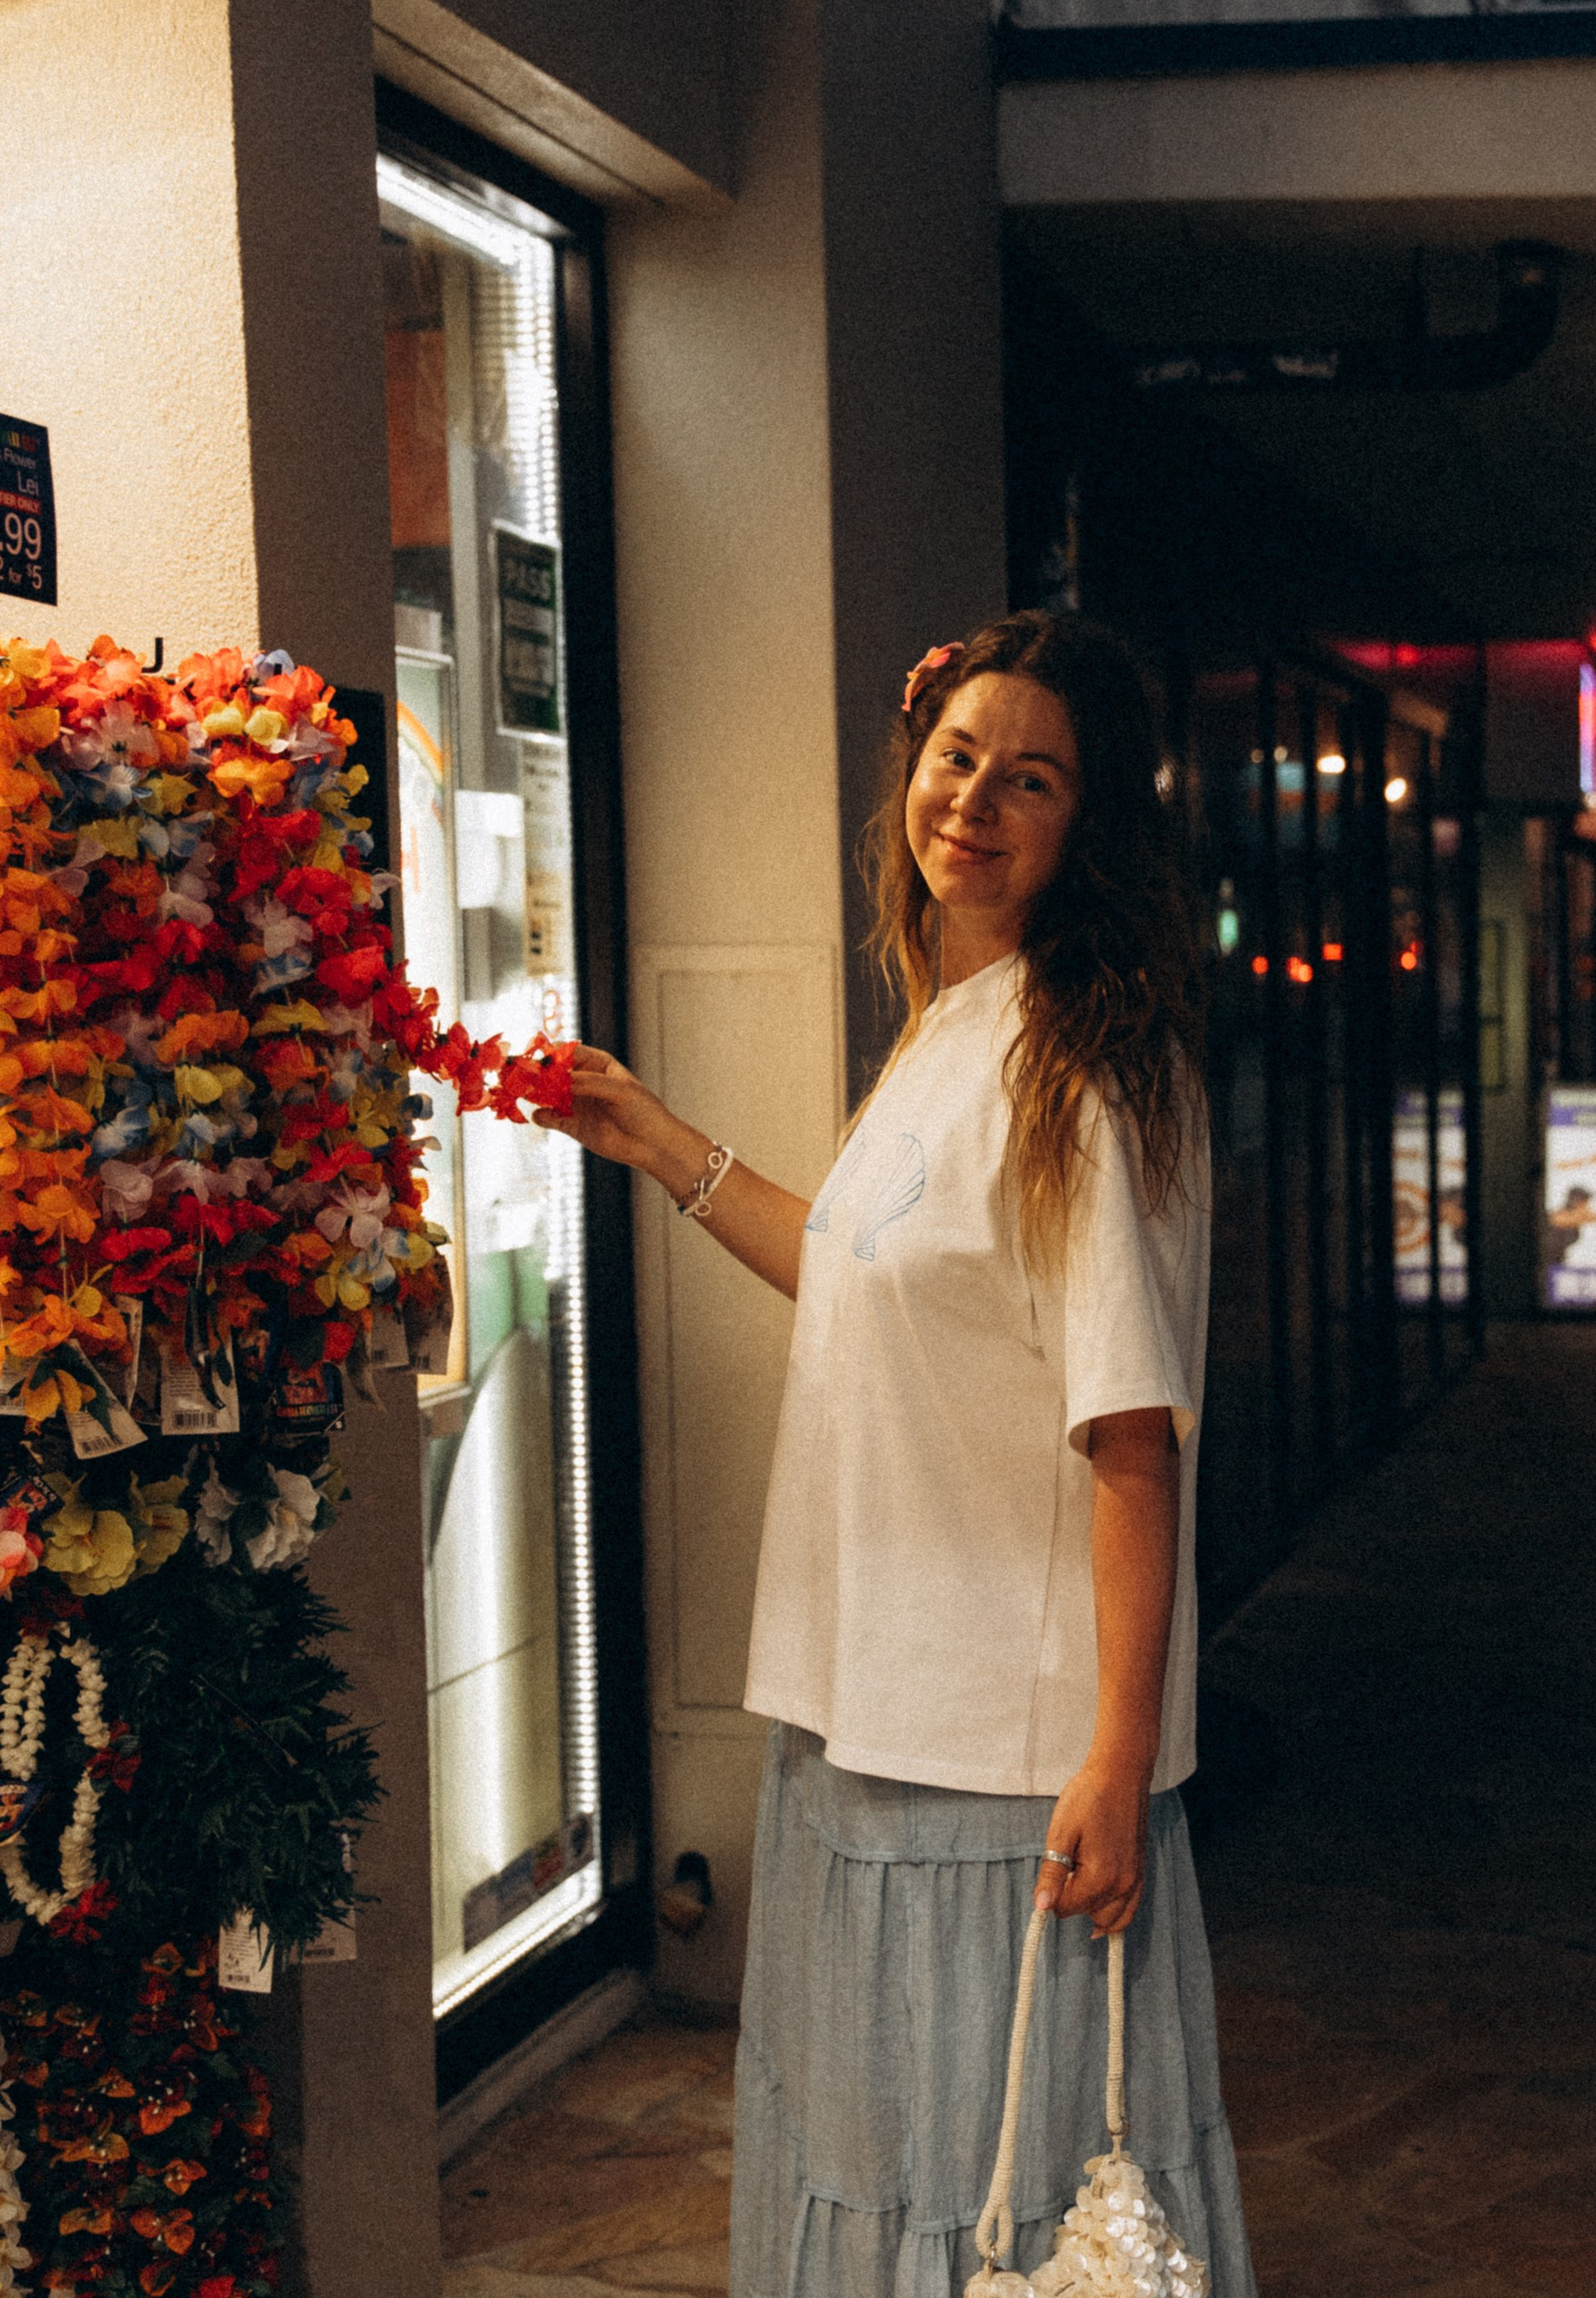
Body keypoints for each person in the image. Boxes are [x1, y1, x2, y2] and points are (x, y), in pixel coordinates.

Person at [539, 611, 1257, 2297]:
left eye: (1033, 779)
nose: (977, 803)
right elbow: (866, 1285)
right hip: (865, 1713)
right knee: (887, 2163)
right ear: (908, 778)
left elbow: (1133, 1434)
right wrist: (661, 1145)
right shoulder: (953, 1025)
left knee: (996, 2193)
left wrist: (1119, 1757)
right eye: (956, 761)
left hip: (1004, 1760)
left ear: (1091, 828)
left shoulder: (1086, 1065)